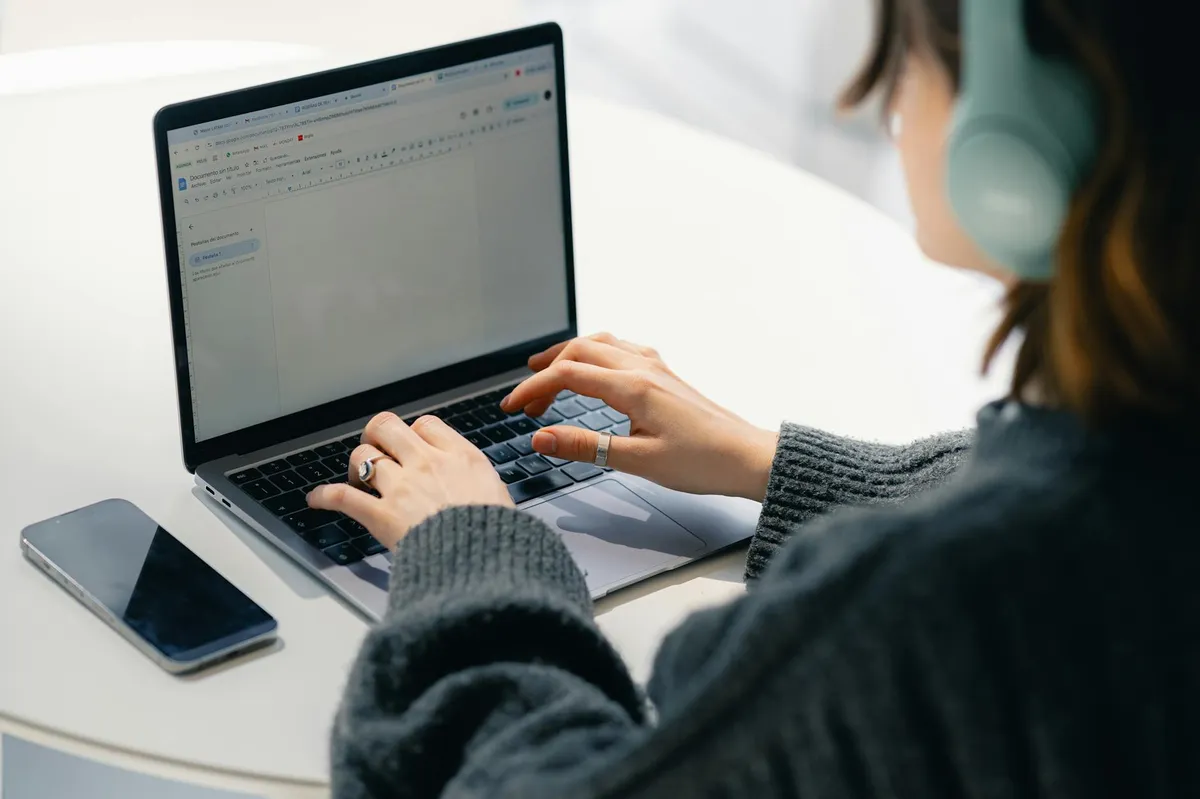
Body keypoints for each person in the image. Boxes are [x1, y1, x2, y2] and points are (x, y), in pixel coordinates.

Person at [309, 0, 1200, 795]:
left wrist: (470, 551)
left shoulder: (926, 609)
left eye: (912, 54)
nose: (888, 103)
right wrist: (771, 462)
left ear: (1020, 130)